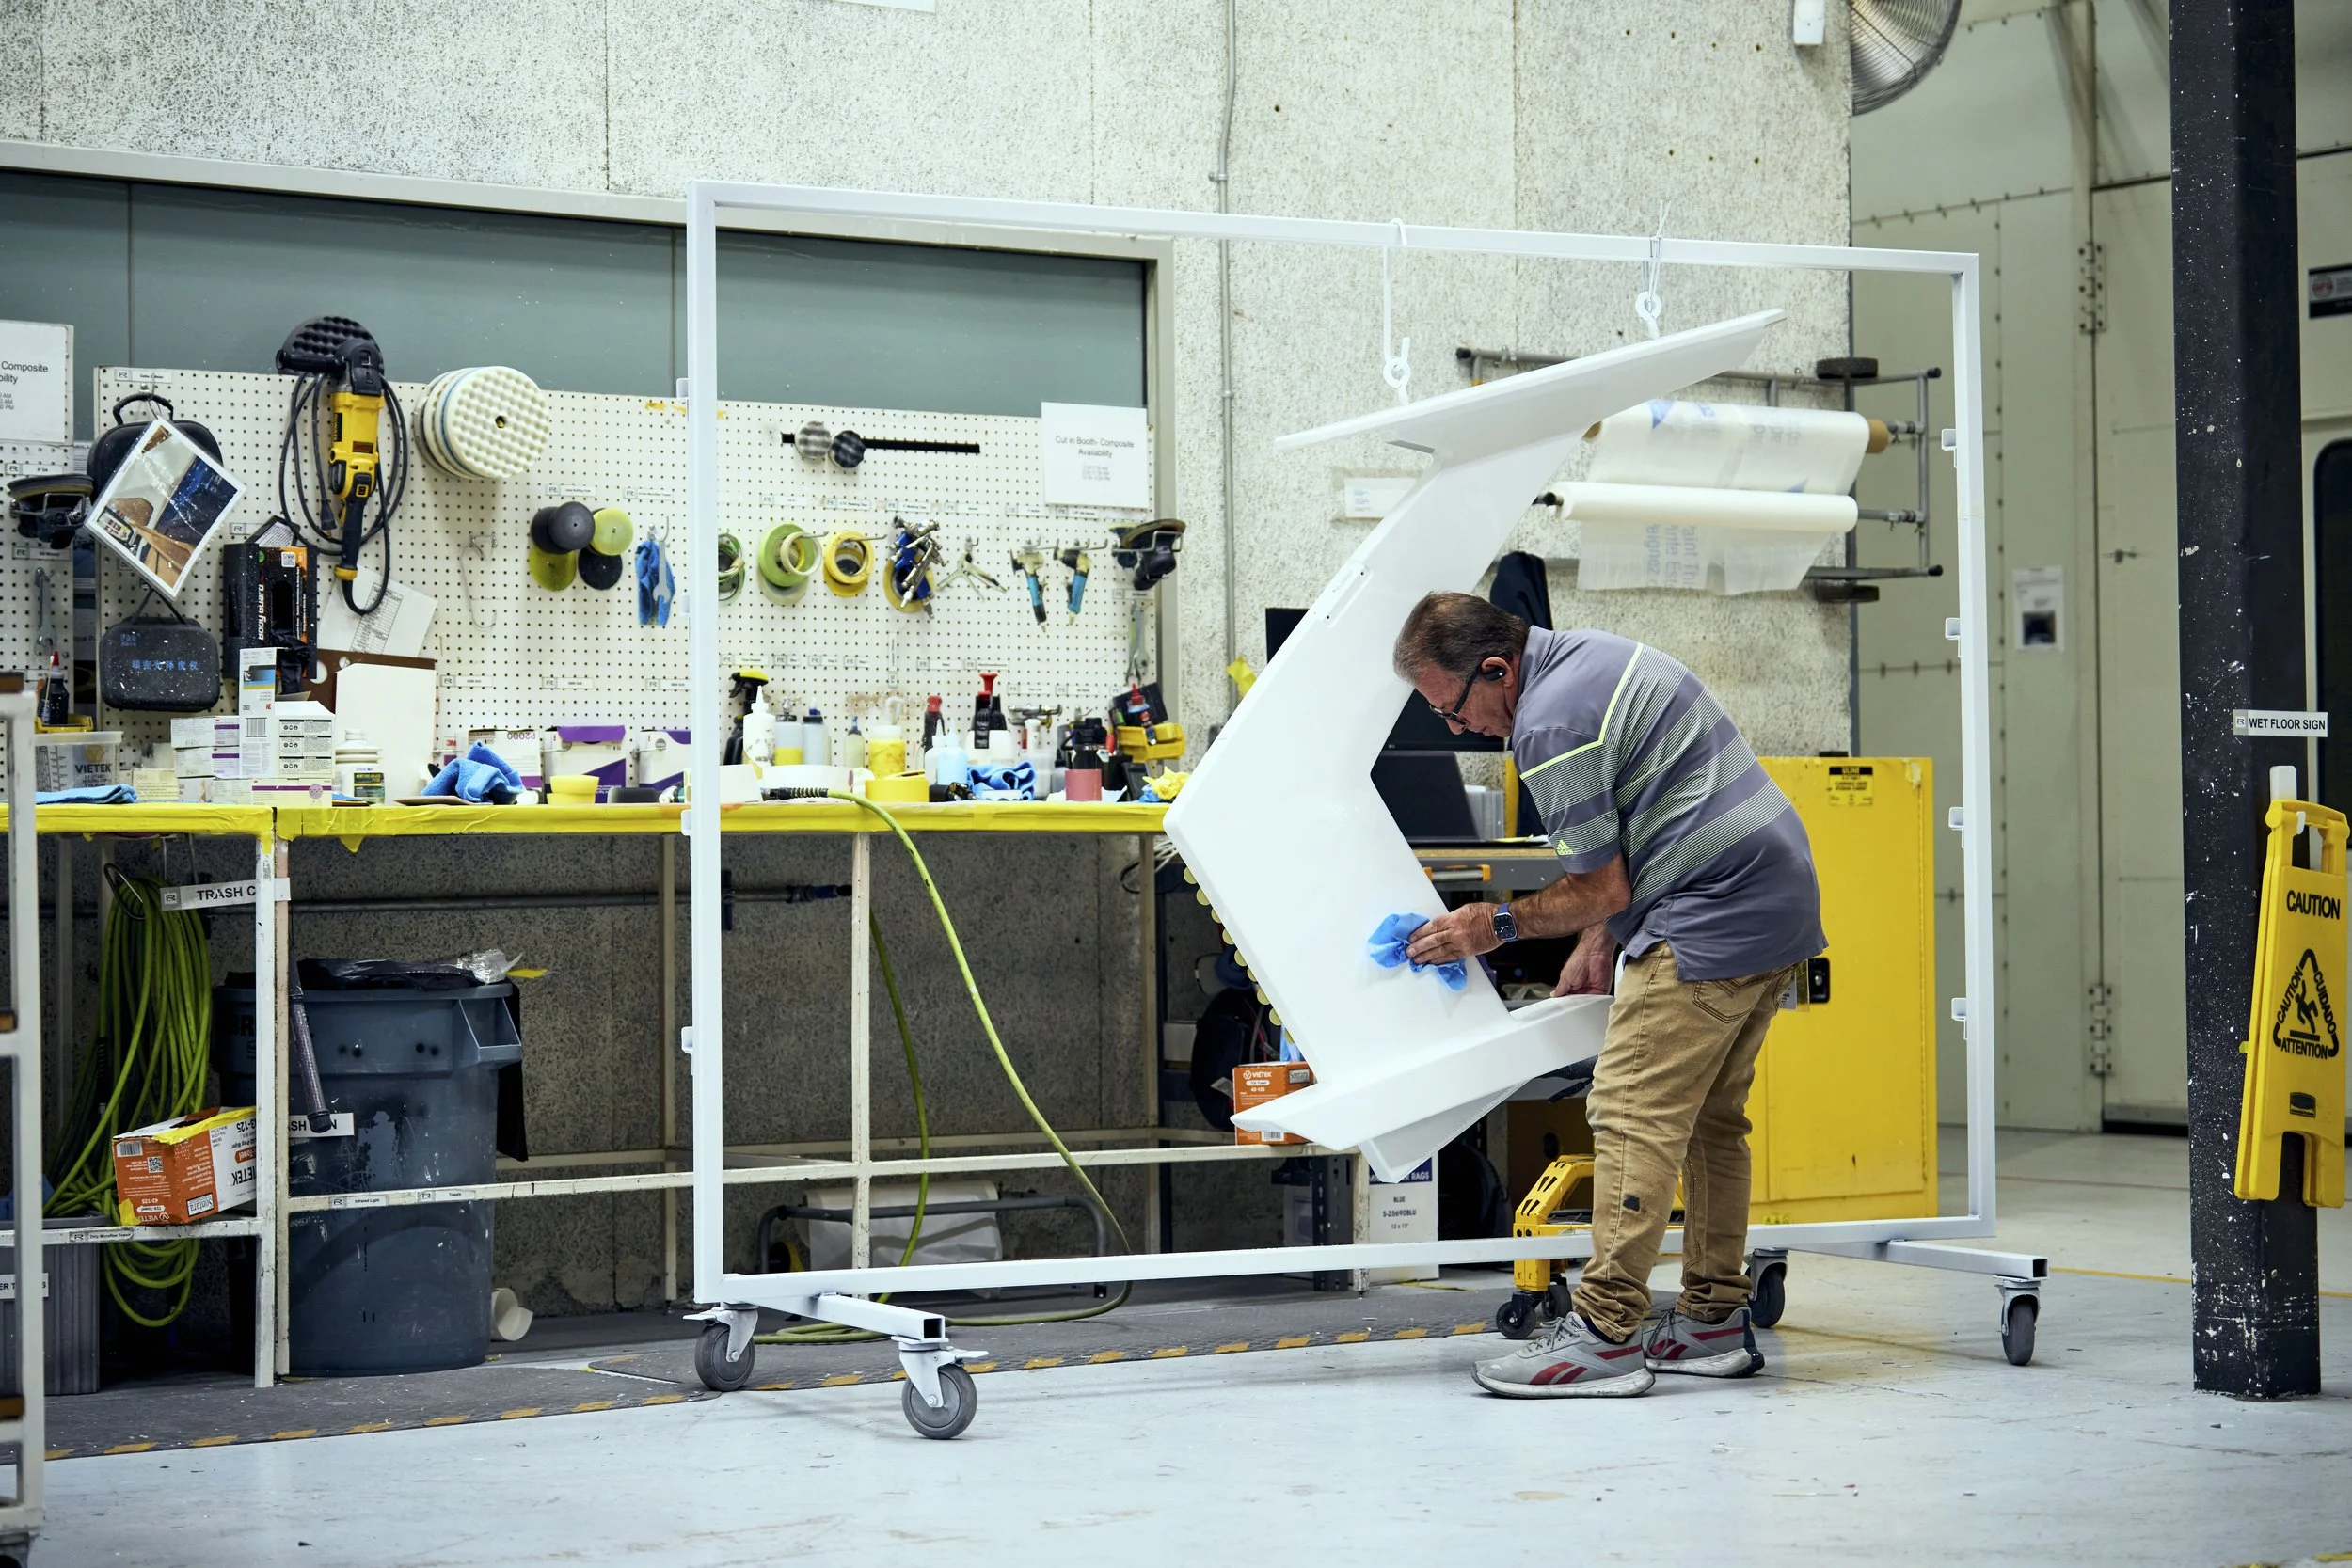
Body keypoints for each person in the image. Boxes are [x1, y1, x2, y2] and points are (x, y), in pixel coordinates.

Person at [1391, 591, 1823, 1399]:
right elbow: (1635, 837)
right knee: (1709, 1121)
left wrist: (1496, 923)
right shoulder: (1588, 657)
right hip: (1776, 893)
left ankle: (1604, 1332)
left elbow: (1601, 881)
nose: (1457, 729)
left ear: (1495, 668)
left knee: (1630, 1111)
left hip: (1712, 911)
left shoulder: (1546, 725)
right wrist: (1605, 933)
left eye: (1452, 709)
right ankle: (1712, 1319)